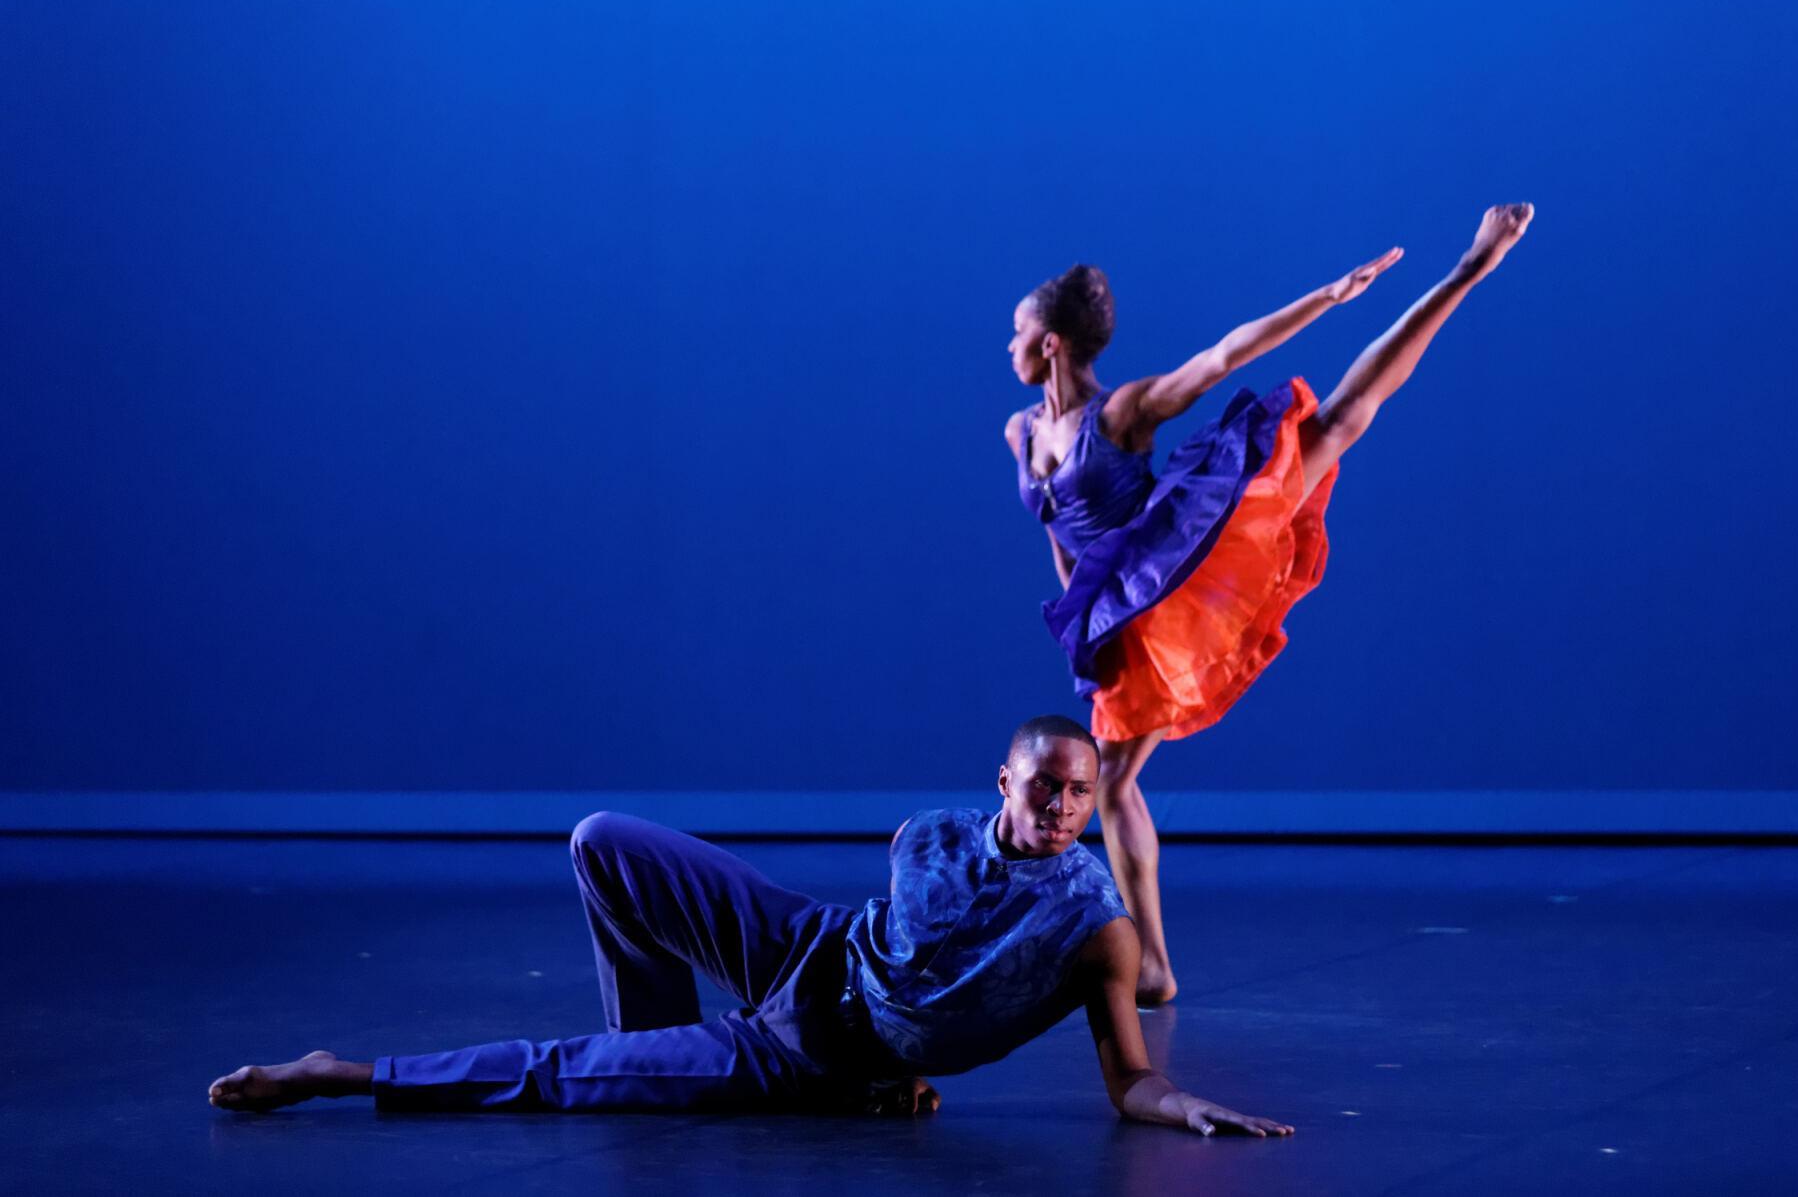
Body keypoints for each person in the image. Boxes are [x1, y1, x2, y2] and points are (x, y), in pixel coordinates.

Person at [206, 715, 1293, 1138]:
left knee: (557, 1073)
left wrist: (1183, 1103)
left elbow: (1128, 1079)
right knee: (600, 841)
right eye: (1041, 788)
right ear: (1000, 782)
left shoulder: (1093, 923)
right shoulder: (927, 836)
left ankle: (336, 1073)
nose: (1060, 810)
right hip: (804, 946)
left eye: (1078, 796)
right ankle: (655, 1041)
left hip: (811, 1057)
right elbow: (908, 953)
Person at [1007, 204, 1534, 1002]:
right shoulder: (1018, 433)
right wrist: (1077, 623)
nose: (1007, 345)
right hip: (1116, 610)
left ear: (1050, 342)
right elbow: (1059, 534)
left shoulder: (1120, 414)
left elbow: (1221, 357)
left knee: (1338, 421)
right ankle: (1151, 961)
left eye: (1016, 332)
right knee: (1113, 783)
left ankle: (1469, 268)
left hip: (1178, 559)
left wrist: (1326, 298)